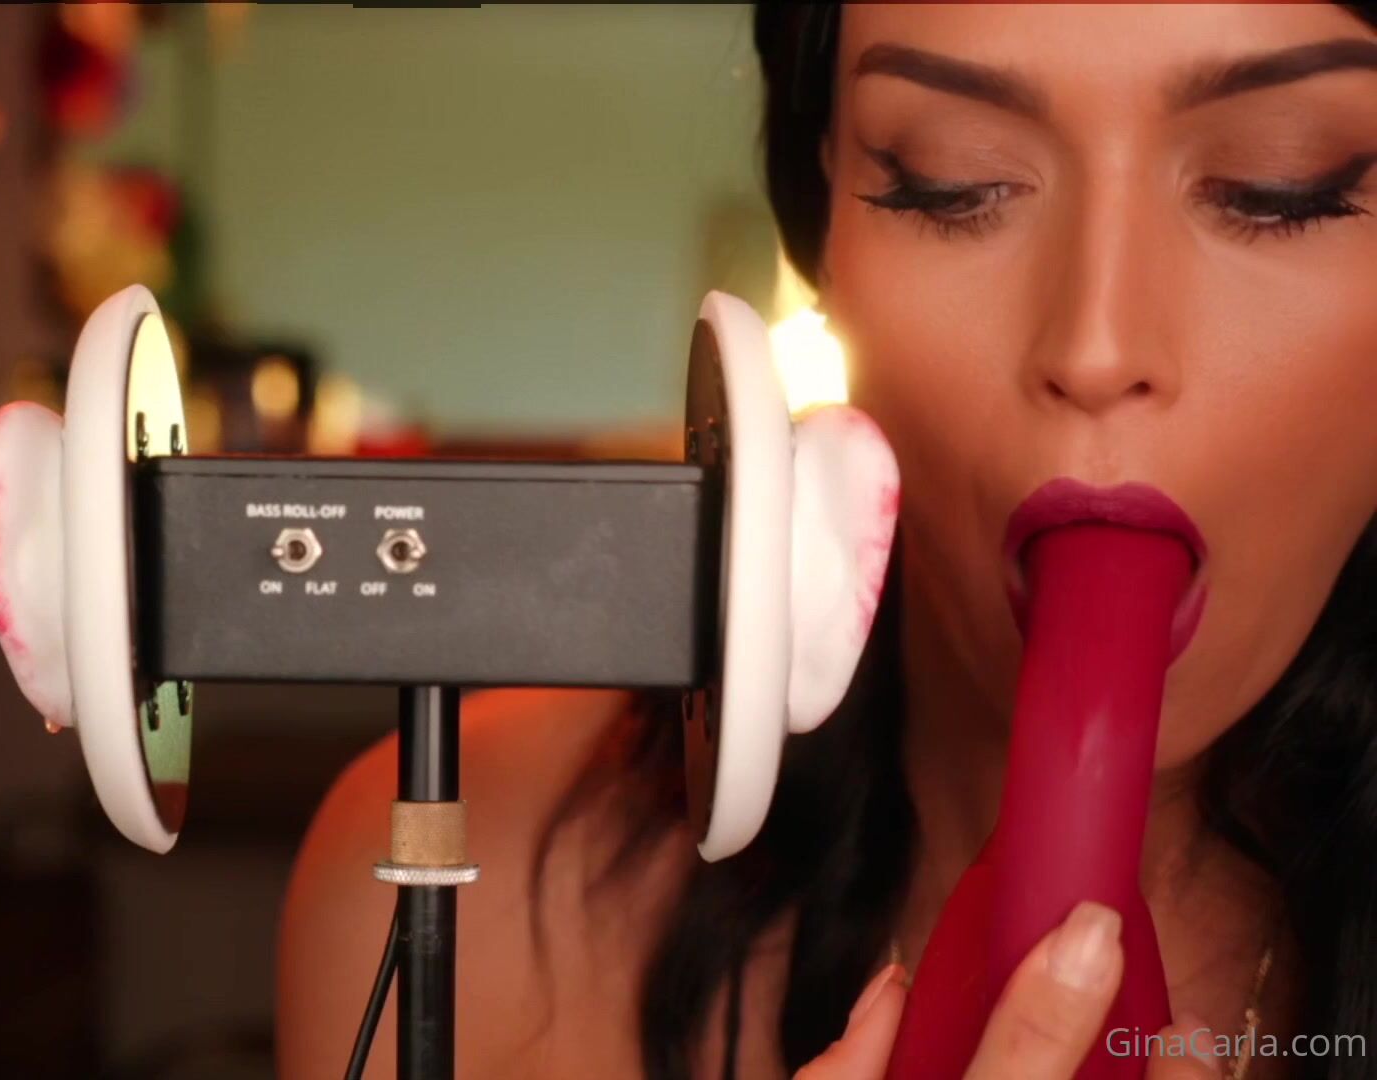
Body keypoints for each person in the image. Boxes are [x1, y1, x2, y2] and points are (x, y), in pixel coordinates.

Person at [276, 5, 1377, 1077]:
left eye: (1280, 188)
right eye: (951, 181)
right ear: (824, 235)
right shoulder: (463, 882)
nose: (1094, 348)